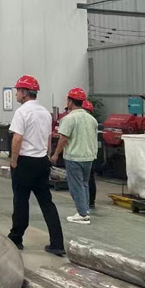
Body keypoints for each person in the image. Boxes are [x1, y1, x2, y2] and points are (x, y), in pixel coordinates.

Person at [7, 75, 65, 257]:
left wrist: (14, 161)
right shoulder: (45, 113)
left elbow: (17, 138)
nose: (16, 94)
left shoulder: (22, 112)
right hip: (41, 161)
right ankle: (57, 243)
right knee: (47, 203)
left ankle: (16, 238)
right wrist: (47, 157)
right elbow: (48, 139)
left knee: (21, 201)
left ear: (25, 93)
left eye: (18, 91)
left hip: (25, 162)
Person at [51, 88, 98, 225]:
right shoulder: (92, 119)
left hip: (74, 157)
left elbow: (63, 138)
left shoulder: (69, 119)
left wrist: (55, 154)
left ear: (70, 101)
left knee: (76, 186)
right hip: (89, 157)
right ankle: (85, 210)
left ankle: (82, 214)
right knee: (84, 184)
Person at [82, 99, 98, 209]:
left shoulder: (86, 122)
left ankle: (87, 202)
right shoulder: (93, 121)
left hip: (85, 154)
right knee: (89, 179)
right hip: (91, 153)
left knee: (85, 180)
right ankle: (90, 201)